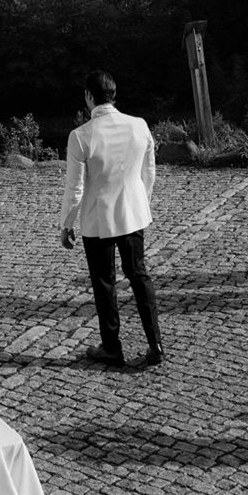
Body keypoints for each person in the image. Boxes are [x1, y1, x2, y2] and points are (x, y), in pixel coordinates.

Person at [59, 69, 164, 369]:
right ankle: (155, 343)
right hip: (132, 215)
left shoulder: (80, 136)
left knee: (104, 283)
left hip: (98, 220)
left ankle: (112, 348)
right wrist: (141, 203)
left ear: (89, 97)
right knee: (139, 275)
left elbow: (75, 188)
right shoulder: (139, 125)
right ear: (114, 95)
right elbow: (149, 172)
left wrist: (67, 224)